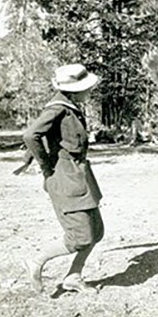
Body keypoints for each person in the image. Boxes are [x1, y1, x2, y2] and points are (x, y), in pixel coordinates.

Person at [22, 63, 104, 294]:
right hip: (65, 179)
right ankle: (36, 262)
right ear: (73, 90)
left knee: (96, 231)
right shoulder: (57, 108)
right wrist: (46, 166)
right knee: (80, 237)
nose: (90, 90)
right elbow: (31, 135)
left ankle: (73, 276)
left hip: (80, 176)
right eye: (86, 87)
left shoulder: (71, 107)